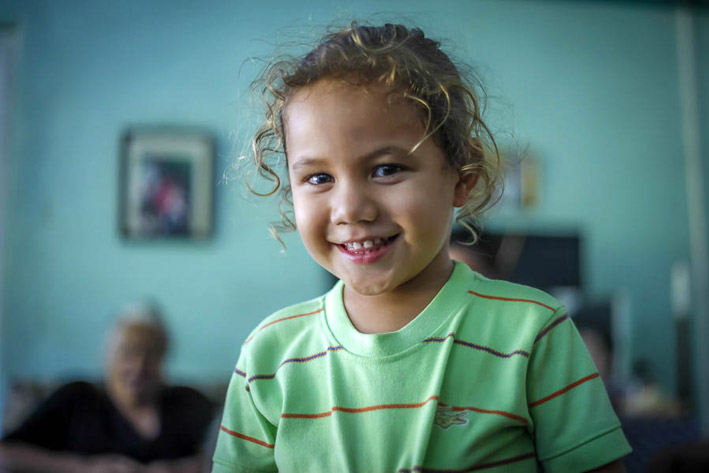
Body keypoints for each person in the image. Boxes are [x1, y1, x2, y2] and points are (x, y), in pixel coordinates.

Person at [213, 22, 631, 472]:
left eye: (387, 169)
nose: (350, 208)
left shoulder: (533, 334)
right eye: (318, 178)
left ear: (461, 176)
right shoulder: (269, 357)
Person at [0, 303, 214, 473]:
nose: (138, 366)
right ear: (107, 356)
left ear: (163, 359)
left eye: (151, 354)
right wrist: (84, 468)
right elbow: (6, 454)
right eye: (128, 352)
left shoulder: (187, 402)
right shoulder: (77, 399)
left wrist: (176, 470)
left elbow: (236, 452)